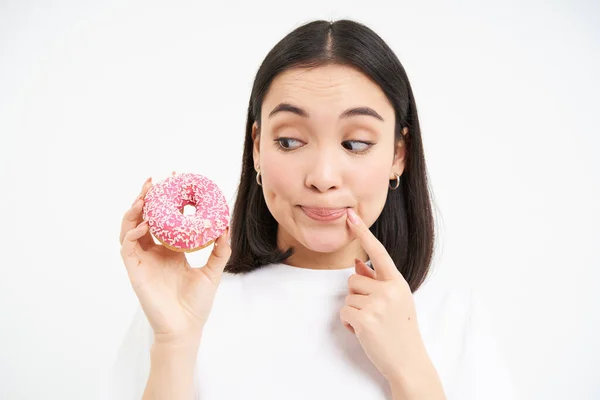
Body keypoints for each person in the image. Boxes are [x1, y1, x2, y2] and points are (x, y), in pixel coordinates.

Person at [112, 19, 519, 399]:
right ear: (257, 148)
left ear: (399, 154)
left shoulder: (454, 320)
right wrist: (175, 342)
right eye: (289, 141)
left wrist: (410, 371)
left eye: (355, 143)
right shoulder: (182, 311)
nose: (323, 177)